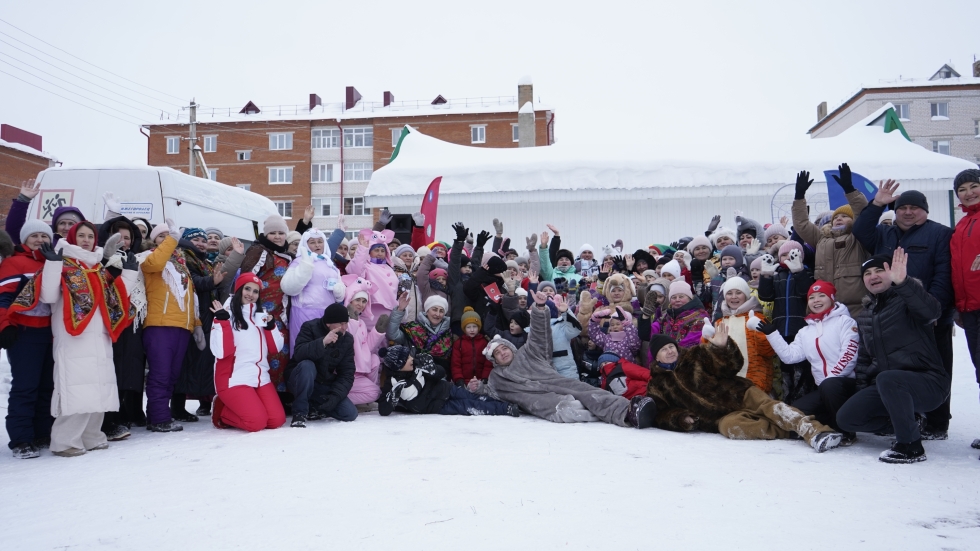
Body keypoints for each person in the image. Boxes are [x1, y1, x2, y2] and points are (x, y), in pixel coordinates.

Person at [852, 180, 954, 440]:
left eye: (914, 208)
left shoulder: (940, 233)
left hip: (926, 311)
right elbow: (861, 230)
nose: (908, 212)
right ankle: (905, 414)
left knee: (937, 365)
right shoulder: (885, 233)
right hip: (890, 311)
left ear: (926, 211)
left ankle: (938, 422)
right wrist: (877, 204)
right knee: (897, 364)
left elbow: (943, 273)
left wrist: (936, 312)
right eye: (902, 208)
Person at [467, 290, 657, 428]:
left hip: (559, 383)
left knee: (587, 392)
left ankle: (628, 411)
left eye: (503, 348)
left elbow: (539, 335)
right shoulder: (496, 378)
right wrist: (478, 388)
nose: (502, 353)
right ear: (494, 360)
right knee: (571, 408)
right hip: (544, 403)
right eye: (497, 353)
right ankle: (615, 413)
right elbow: (491, 393)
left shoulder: (527, 352)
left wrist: (540, 308)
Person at [645, 322, 842, 452]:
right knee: (733, 428)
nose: (670, 351)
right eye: (664, 350)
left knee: (772, 408)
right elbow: (661, 414)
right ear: (656, 357)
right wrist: (680, 418)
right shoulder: (657, 385)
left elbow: (731, 367)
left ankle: (816, 432)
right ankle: (791, 431)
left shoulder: (696, 355)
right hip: (717, 417)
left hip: (739, 392)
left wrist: (721, 348)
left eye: (671, 346)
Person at [837, 250, 949, 463]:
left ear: (893, 273)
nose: (873, 276)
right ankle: (909, 423)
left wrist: (904, 282)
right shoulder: (866, 315)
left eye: (880, 270)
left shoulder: (908, 301)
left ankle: (910, 446)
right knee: (847, 418)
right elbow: (864, 360)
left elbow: (932, 311)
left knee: (888, 378)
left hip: (928, 383)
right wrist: (862, 396)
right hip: (888, 386)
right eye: (867, 273)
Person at [38, 222, 138, 456]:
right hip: (73, 336)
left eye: (90, 236)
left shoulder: (96, 269)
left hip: (99, 335)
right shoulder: (64, 264)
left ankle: (93, 436)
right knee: (76, 388)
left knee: (100, 388)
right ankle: (65, 442)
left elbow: (115, 297)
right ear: (72, 238)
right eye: (80, 235)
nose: (86, 240)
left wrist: (130, 274)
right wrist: (52, 264)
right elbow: (48, 295)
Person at [750, 280, 858, 443]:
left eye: (822, 296)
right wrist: (771, 333)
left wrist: (831, 379)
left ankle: (846, 431)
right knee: (795, 411)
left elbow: (849, 355)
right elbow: (789, 356)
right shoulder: (805, 331)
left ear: (831, 299)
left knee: (830, 386)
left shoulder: (845, 322)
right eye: (812, 297)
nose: (816, 300)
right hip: (823, 389)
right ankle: (827, 422)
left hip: (844, 385)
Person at [140, 219, 205, 432]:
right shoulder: (149, 257)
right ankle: (158, 418)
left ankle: (160, 415)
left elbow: (190, 296)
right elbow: (157, 263)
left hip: (182, 327)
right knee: (160, 374)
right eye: (162, 236)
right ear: (154, 240)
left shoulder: (180, 264)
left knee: (172, 375)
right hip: (160, 325)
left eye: (170, 235)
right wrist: (172, 239)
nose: (167, 239)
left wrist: (196, 325)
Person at [1, 219, 55, 458]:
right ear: (24, 240)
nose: (40, 241)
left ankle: (42, 431)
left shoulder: (55, 262)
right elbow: (3, 298)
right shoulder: (14, 263)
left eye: (44, 237)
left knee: (47, 386)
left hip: (51, 333)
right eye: (34, 236)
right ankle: (21, 439)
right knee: (26, 386)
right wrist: (5, 326)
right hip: (24, 333)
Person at [208, 274, 286, 432]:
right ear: (238, 290)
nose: (251, 294)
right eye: (247, 289)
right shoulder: (226, 314)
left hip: (260, 377)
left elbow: (275, 348)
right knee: (256, 423)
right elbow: (221, 352)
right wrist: (221, 322)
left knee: (276, 420)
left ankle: (245, 406)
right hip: (234, 378)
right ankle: (221, 411)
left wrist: (271, 327)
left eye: (256, 291)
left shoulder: (261, 315)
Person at [791, 167, 870, 317]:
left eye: (845, 216)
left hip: (857, 308)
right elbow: (801, 224)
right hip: (827, 308)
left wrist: (850, 190)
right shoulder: (821, 238)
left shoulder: (858, 237)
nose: (839, 218)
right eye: (836, 216)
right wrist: (799, 196)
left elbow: (864, 213)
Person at [172, 227, 224, 422]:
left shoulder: (203, 261)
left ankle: (187, 406)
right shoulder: (183, 259)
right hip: (190, 317)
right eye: (197, 240)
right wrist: (213, 281)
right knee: (184, 364)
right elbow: (193, 283)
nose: (202, 243)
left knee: (196, 364)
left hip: (203, 316)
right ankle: (177, 408)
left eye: (203, 240)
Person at [379, 346, 519, 417]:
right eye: (406, 359)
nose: (411, 359)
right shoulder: (393, 384)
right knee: (469, 406)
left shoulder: (416, 364)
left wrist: (432, 369)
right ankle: (505, 409)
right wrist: (392, 399)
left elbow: (441, 372)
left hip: (446, 388)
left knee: (475, 397)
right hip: (437, 406)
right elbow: (383, 410)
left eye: (409, 355)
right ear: (398, 365)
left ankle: (506, 405)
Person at [240, 214, 294, 392]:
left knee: (281, 353)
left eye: (281, 232)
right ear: (266, 235)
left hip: (281, 313)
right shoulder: (258, 251)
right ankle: (261, 392)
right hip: (260, 311)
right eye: (273, 233)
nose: (277, 236)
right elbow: (247, 278)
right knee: (263, 353)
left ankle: (280, 395)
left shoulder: (286, 255)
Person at [757, 241, 815, 403]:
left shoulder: (807, 274)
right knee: (785, 368)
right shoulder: (778, 275)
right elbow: (765, 296)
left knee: (802, 369)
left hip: (801, 328)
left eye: (792, 254)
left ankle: (803, 399)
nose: (787, 257)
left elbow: (807, 293)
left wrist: (799, 272)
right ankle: (788, 399)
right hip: (782, 328)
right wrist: (766, 276)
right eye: (783, 255)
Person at [285, 303, 357, 427]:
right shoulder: (309, 327)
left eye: (346, 323)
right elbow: (299, 354)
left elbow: (347, 373)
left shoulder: (347, 339)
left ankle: (313, 407)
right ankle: (300, 413)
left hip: (322, 383)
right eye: (341, 323)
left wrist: (335, 397)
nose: (345, 327)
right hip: (300, 378)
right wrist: (323, 342)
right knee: (308, 366)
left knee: (349, 413)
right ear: (329, 323)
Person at [949, 168, 980, 458]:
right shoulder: (962, 225)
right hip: (970, 309)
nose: (969, 192)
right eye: (963, 189)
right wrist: (961, 306)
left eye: (974, 186)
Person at [701, 277, 775, 393]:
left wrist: (761, 334)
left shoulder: (757, 319)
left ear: (746, 295)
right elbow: (710, 357)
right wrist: (706, 339)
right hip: (727, 386)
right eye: (729, 293)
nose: (734, 297)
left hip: (754, 383)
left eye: (738, 293)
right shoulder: (720, 322)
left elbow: (768, 352)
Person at [281, 228, 346, 354]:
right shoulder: (299, 261)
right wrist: (305, 266)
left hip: (327, 315)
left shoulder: (330, 264)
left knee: (327, 351)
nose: (317, 245)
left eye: (320, 241)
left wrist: (339, 291)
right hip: (304, 312)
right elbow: (288, 287)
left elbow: (340, 295)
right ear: (305, 244)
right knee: (305, 349)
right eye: (312, 242)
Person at [342, 275, 386, 406]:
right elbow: (346, 340)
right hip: (347, 371)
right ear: (349, 300)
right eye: (358, 300)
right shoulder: (344, 319)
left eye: (364, 301)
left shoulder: (361, 322)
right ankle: (338, 399)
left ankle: (362, 400)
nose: (361, 304)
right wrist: (352, 321)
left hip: (359, 369)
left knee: (374, 359)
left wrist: (378, 332)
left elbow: (366, 348)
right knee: (374, 393)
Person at [387, 292, 454, 371]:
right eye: (434, 310)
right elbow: (392, 334)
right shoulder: (413, 329)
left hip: (439, 379)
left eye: (441, 311)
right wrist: (400, 310)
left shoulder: (448, 335)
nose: (438, 314)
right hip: (413, 376)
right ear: (427, 311)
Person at [346, 228, 399, 329]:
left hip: (389, 311)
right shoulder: (366, 265)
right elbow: (356, 271)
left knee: (385, 340)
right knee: (371, 340)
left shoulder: (390, 268)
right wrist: (362, 250)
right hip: (372, 309)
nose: (380, 253)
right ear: (369, 251)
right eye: (376, 250)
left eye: (382, 250)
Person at [650, 281, 708, 349]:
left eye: (681, 297)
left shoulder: (701, 316)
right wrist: (645, 317)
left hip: (686, 357)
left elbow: (692, 343)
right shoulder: (667, 316)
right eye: (674, 297)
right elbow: (650, 332)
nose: (677, 300)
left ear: (690, 298)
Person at [451, 307, 494, 385]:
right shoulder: (459, 343)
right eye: (468, 327)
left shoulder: (484, 342)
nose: (472, 330)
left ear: (479, 327)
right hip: (464, 381)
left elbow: (488, 362)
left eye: (474, 326)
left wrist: (485, 377)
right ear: (464, 328)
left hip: (481, 380)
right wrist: (458, 379)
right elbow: (455, 364)